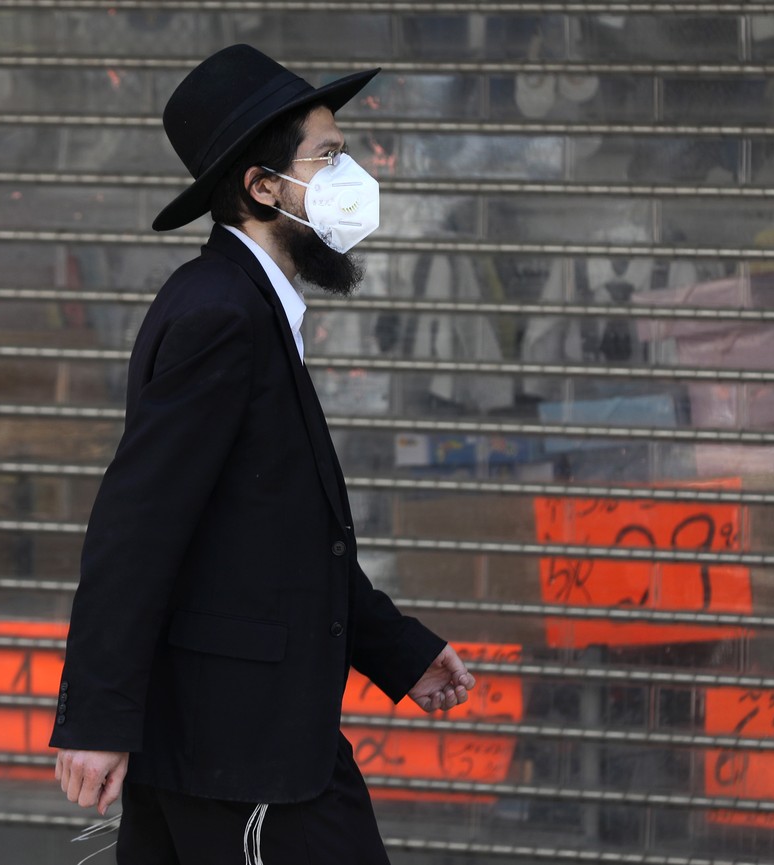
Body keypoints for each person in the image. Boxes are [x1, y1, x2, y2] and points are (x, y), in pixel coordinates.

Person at [50, 44, 474, 864]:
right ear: (261, 187)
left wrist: (396, 649)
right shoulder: (221, 316)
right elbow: (137, 526)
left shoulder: (247, 306)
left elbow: (274, 535)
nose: (353, 173)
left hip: (241, 745)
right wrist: (96, 719)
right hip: (244, 754)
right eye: (329, 155)